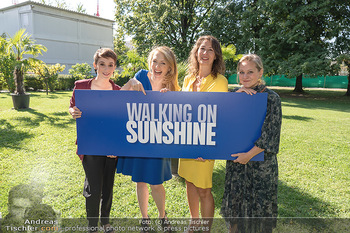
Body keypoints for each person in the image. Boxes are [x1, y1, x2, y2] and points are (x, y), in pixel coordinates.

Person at [69, 48, 144, 233]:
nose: (106, 68)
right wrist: (73, 112)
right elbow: (71, 107)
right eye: (102, 64)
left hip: (111, 146)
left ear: (115, 67)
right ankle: (92, 225)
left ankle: (106, 222)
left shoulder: (117, 89)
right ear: (95, 65)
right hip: (90, 144)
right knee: (94, 186)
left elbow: (120, 119)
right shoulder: (81, 86)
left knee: (107, 187)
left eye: (110, 65)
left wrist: (116, 145)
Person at [116, 46, 180, 232]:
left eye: (163, 63)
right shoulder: (140, 76)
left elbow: (177, 117)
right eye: (155, 61)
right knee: (140, 181)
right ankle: (145, 218)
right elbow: (116, 99)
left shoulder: (172, 85)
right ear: (149, 62)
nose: (157, 66)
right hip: (138, 136)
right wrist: (129, 83)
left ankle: (162, 216)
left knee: (156, 182)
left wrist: (170, 100)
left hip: (158, 140)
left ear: (170, 67)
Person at [220, 54, 282, 233]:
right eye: (241, 72)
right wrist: (234, 100)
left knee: (259, 213)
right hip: (237, 165)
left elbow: (270, 134)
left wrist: (249, 155)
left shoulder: (272, 98)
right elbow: (222, 126)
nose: (245, 76)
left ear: (260, 72)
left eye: (250, 72)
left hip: (260, 166)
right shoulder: (232, 95)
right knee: (235, 212)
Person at [178, 35, 228, 232]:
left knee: (204, 189)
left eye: (210, 50)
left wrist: (205, 147)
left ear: (216, 56)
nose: (205, 53)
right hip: (187, 141)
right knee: (189, 182)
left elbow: (215, 113)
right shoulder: (188, 78)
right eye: (202, 49)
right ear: (196, 52)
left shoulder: (220, 81)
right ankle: (194, 221)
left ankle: (205, 228)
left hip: (206, 142)